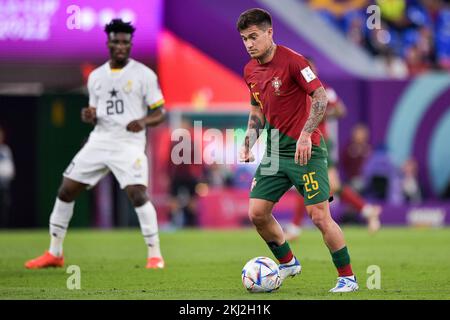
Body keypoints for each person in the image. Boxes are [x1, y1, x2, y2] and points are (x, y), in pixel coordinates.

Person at [25, 19, 166, 269]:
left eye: (125, 42)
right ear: (108, 42)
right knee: (65, 190)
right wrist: (89, 115)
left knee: (137, 194)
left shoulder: (144, 74)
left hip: (128, 143)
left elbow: (160, 112)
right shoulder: (96, 77)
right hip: (100, 140)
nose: (121, 46)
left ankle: (155, 255)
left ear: (130, 44)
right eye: (116, 41)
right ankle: (54, 253)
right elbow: (95, 110)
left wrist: (143, 121)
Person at [237, 8, 358, 292]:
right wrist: (247, 143)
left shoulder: (294, 61)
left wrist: (305, 134)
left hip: (307, 150)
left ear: (269, 32)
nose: (249, 44)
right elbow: (257, 109)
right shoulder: (249, 70)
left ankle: (347, 278)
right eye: (244, 39)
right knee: (257, 212)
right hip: (275, 150)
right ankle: (289, 262)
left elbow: (320, 96)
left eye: (254, 37)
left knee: (319, 216)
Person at [284, 58, 382, 240]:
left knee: (307, 184)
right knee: (330, 185)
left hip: (319, 142)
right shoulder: (296, 90)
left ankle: (295, 228)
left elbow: (341, 110)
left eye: (310, 67)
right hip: (304, 141)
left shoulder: (323, 89)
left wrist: (322, 112)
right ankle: (368, 211)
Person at [0, 126, 15, 228]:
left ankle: (3, 228)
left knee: (4, 207)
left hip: (4, 184)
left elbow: (10, 169)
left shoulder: (6, 150)